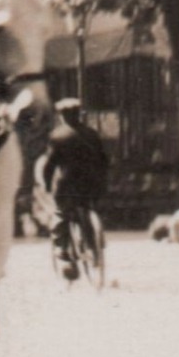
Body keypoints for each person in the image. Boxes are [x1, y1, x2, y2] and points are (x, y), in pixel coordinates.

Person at [41, 98, 110, 279]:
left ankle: (62, 248)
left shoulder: (58, 136)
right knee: (87, 209)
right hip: (91, 184)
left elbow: (50, 165)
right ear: (79, 114)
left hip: (67, 184)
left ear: (62, 115)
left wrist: (47, 184)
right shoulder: (92, 134)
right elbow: (104, 160)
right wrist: (102, 181)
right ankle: (94, 246)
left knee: (61, 213)